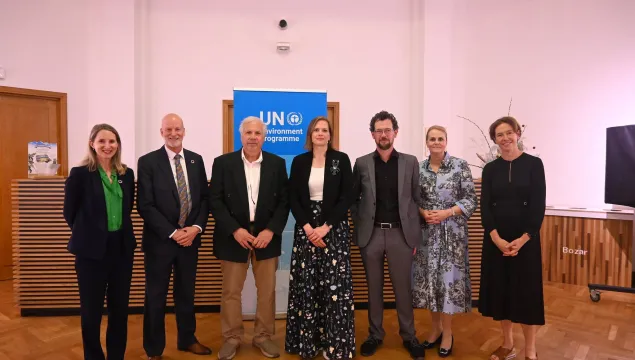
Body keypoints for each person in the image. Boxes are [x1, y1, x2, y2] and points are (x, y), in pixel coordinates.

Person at [209, 116, 290, 360]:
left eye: (257, 133)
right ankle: (232, 338)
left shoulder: (276, 164)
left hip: (267, 237)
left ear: (264, 137)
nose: (253, 137)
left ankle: (263, 337)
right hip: (234, 236)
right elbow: (215, 200)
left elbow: (284, 202)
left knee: (266, 291)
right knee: (231, 292)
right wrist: (235, 230)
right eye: (248, 133)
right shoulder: (223, 163)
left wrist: (270, 231)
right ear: (241, 136)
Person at [350, 110, 426, 359]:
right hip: (370, 235)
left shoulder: (411, 161)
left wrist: (414, 235)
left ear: (395, 132)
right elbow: (353, 199)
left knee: (403, 289)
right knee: (374, 288)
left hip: (400, 236)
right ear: (372, 134)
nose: (383, 134)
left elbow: (416, 198)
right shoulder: (361, 163)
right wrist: (359, 223)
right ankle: (375, 335)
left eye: (387, 129)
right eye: (378, 130)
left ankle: (409, 336)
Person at [137, 113, 211, 360]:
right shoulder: (148, 162)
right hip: (160, 242)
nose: (173, 133)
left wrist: (195, 229)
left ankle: (187, 339)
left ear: (184, 131)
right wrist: (173, 232)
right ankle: (154, 350)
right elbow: (145, 205)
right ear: (161, 132)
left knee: (186, 293)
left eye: (177, 129)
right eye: (168, 129)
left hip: (190, 240)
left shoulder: (195, 160)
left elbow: (203, 200)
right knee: (155, 297)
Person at [285, 116, 356, 360]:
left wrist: (326, 227)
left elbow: (347, 196)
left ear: (330, 134)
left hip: (333, 229)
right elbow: (293, 196)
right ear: (310, 134)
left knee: (334, 287)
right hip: (306, 230)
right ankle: (309, 344)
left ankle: (335, 346)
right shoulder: (299, 161)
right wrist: (307, 226)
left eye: (325, 130)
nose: (320, 133)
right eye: (316, 129)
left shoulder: (341, 159)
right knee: (309, 287)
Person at [63, 124, 136, 360]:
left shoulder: (127, 174)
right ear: (92, 144)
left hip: (121, 250)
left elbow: (127, 209)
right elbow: (69, 213)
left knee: (119, 310)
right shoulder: (80, 174)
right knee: (91, 311)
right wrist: (90, 233)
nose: (107, 146)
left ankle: (116, 356)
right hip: (90, 253)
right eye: (102, 141)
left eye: (112, 141)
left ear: (118, 145)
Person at [478, 116, 546, 360]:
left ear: (517, 133)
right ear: (494, 140)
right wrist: (494, 237)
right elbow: (485, 206)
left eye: (509, 133)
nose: (505, 138)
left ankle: (530, 348)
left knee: (527, 295)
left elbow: (538, 206)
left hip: (525, 241)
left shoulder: (534, 165)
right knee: (502, 293)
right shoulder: (490, 169)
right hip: (497, 239)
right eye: (499, 135)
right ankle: (507, 343)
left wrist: (525, 238)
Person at [412, 125, 477, 358]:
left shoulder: (460, 166)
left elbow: (471, 199)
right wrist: (422, 212)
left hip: (452, 236)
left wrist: (448, 212)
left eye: (440, 138)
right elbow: (412, 200)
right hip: (428, 236)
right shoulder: (418, 168)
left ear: (446, 141)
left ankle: (448, 333)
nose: (436, 142)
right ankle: (435, 328)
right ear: (427, 142)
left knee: (448, 284)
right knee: (432, 284)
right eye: (432, 139)